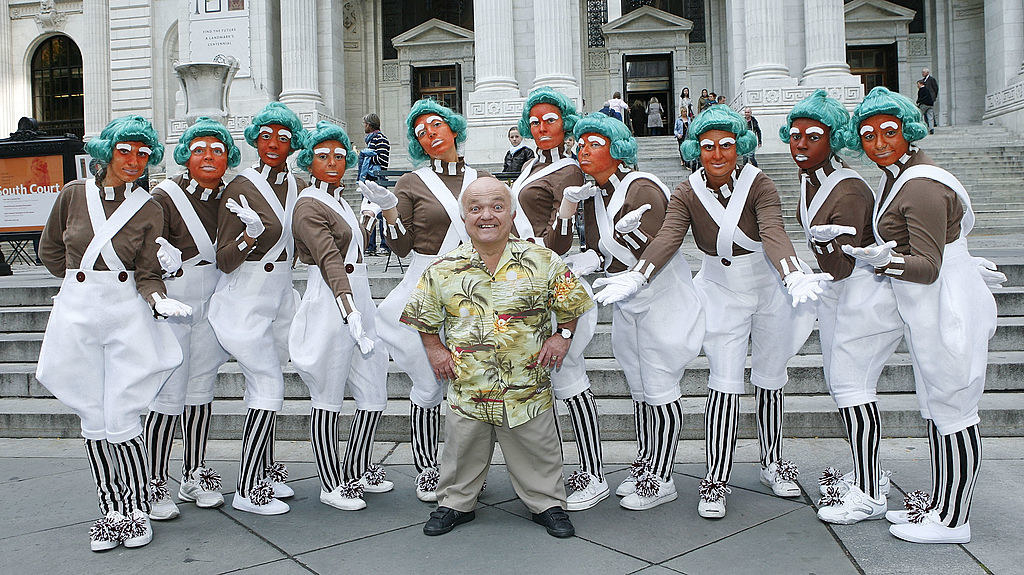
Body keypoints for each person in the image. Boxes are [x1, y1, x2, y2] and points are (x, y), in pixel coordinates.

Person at [595, 105, 828, 519]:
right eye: (707, 146)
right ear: (695, 149)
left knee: (771, 376)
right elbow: (668, 236)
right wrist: (638, 276)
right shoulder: (686, 191)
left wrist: (792, 272)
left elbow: (773, 231)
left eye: (725, 145)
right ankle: (716, 480)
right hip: (721, 291)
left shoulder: (761, 184)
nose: (717, 154)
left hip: (771, 286)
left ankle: (772, 462)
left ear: (740, 146)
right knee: (723, 381)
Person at [843, 86, 999, 544]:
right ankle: (942, 505)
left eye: (889, 131)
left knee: (954, 409)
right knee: (938, 406)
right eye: (869, 135)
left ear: (908, 131)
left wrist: (878, 260)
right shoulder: (903, 175)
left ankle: (955, 520)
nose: (879, 142)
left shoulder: (922, 184)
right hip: (927, 304)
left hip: (940, 304)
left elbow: (928, 268)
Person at [401, 176, 594, 538]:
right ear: (464, 216)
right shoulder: (443, 269)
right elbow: (422, 317)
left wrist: (562, 336)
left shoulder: (543, 261)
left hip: (526, 388)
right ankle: (455, 504)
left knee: (539, 453)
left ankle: (548, 503)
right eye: (475, 208)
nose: (486, 215)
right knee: (460, 456)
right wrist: (434, 348)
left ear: (512, 212)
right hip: (468, 387)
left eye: (496, 206)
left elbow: (572, 303)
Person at [36, 115, 191, 551]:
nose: (135, 160)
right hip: (80, 315)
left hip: (127, 314)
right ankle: (111, 510)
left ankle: (136, 508)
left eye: (143, 153)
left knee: (122, 415)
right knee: (94, 416)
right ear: (107, 151)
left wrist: (160, 299)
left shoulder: (150, 208)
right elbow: (49, 249)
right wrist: (76, 286)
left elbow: (147, 272)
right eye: (126, 150)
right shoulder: (71, 195)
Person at [551, 112, 705, 511]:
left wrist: (631, 235)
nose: (583, 150)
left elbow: (660, 247)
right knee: (638, 385)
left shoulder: (643, 187)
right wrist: (590, 260)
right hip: (626, 299)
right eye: (580, 143)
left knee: (659, 386)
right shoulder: (594, 193)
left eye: (594, 143)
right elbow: (603, 249)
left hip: (661, 296)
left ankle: (663, 475)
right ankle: (646, 462)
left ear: (617, 149)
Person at [778, 90, 904, 524]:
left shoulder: (847, 187)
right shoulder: (809, 177)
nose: (800, 144)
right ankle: (869, 474)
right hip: (838, 293)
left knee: (853, 389)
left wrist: (822, 247)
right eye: (794, 136)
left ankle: (870, 491)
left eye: (812, 136)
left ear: (833, 140)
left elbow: (843, 263)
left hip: (861, 295)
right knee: (842, 386)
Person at [356, 99, 485, 502]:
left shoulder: (482, 178)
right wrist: (390, 211)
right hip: (425, 284)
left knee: (472, 386)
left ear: (453, 128)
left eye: (436, 126)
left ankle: (465, 470)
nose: (430, 135)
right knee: (428, 385)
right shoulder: (411, 183)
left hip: (474, 290)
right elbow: (403, 245)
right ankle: (427, 468)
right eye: (421, 133)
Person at [511, 86, 607, 511]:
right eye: (534, 121)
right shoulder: (531, 162)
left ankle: (594, 472)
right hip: (524, 279)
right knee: (544, 381)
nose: (541, 126)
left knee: (569, 379)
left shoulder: (569, 169)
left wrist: (565, 214)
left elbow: (560, 242)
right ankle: (551, 472)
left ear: (565, 122)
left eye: (550, 119)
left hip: (552, 281)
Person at [289, 121, 393, 512]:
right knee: (327, 394)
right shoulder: (308, 203)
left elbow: (353, 251)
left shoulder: (340, 199)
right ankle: (331, 483)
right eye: (322, 156)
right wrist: (348, 310)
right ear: (309, 162)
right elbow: (330, 259)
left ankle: (357, 467)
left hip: (358, 297)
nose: (332, 161)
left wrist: (367, 215)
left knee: (373, 391)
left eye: (338, 155)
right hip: (331, 302)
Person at [209, 101, 306, 516]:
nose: (273, 144)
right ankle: (248, 487)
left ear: (292, 144)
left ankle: (263, 470)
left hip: (281, 298)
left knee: (264, 383)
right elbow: (224, 259)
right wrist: (250, 236)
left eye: (283, 138)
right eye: (265, 136)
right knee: (268, 385)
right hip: (245, 297)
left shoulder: (299, 184)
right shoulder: (240, 187)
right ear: (254, 140)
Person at [144, 117, 239, 521]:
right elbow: (145, 253)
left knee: (201, 390)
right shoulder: (165, 195)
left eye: (217, 150)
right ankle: (152, 480)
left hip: (213, 298)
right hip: (175, 302)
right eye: (199, 149)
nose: (208, 157)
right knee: (168, 393)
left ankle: (194, 471)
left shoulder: (232, 195)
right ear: (185, 154)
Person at [359, 113, 391, 256]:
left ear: (370, 124)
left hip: (377, 181)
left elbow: (383, 161)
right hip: (368, 180)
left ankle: (384, 245)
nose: (364, 126)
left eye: (365, 123)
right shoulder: (371, 140)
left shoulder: (381, 139)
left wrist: (367, 154)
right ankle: (370, 245)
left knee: (381, 212)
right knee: (367, 212)